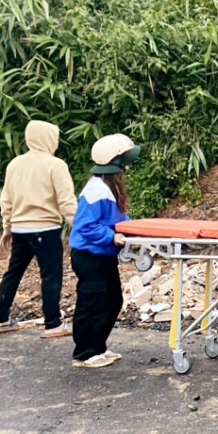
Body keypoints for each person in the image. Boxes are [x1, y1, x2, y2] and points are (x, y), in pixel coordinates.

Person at [0, 120, 76, 338]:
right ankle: (53, 323)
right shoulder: (55, 165)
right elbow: (66, 202)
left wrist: (7, 227)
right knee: (50, 275)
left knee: (13, 273)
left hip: (19, 229)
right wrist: (80, 226)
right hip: (45, 228)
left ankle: (0, 319)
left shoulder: (15, 164)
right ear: (49, 138)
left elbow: (6, 200)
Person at [69, 133, 139, 368]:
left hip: (102, 256)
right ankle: (84, 354)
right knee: (92, 303)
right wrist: (112, 236)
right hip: (90, 256)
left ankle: (98, 347)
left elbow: (117, 218)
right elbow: (86, 226)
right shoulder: (96, 190)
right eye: (124, 162)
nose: (127, 167)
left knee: (111, 301)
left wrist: (132, 228)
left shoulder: (108, 188)